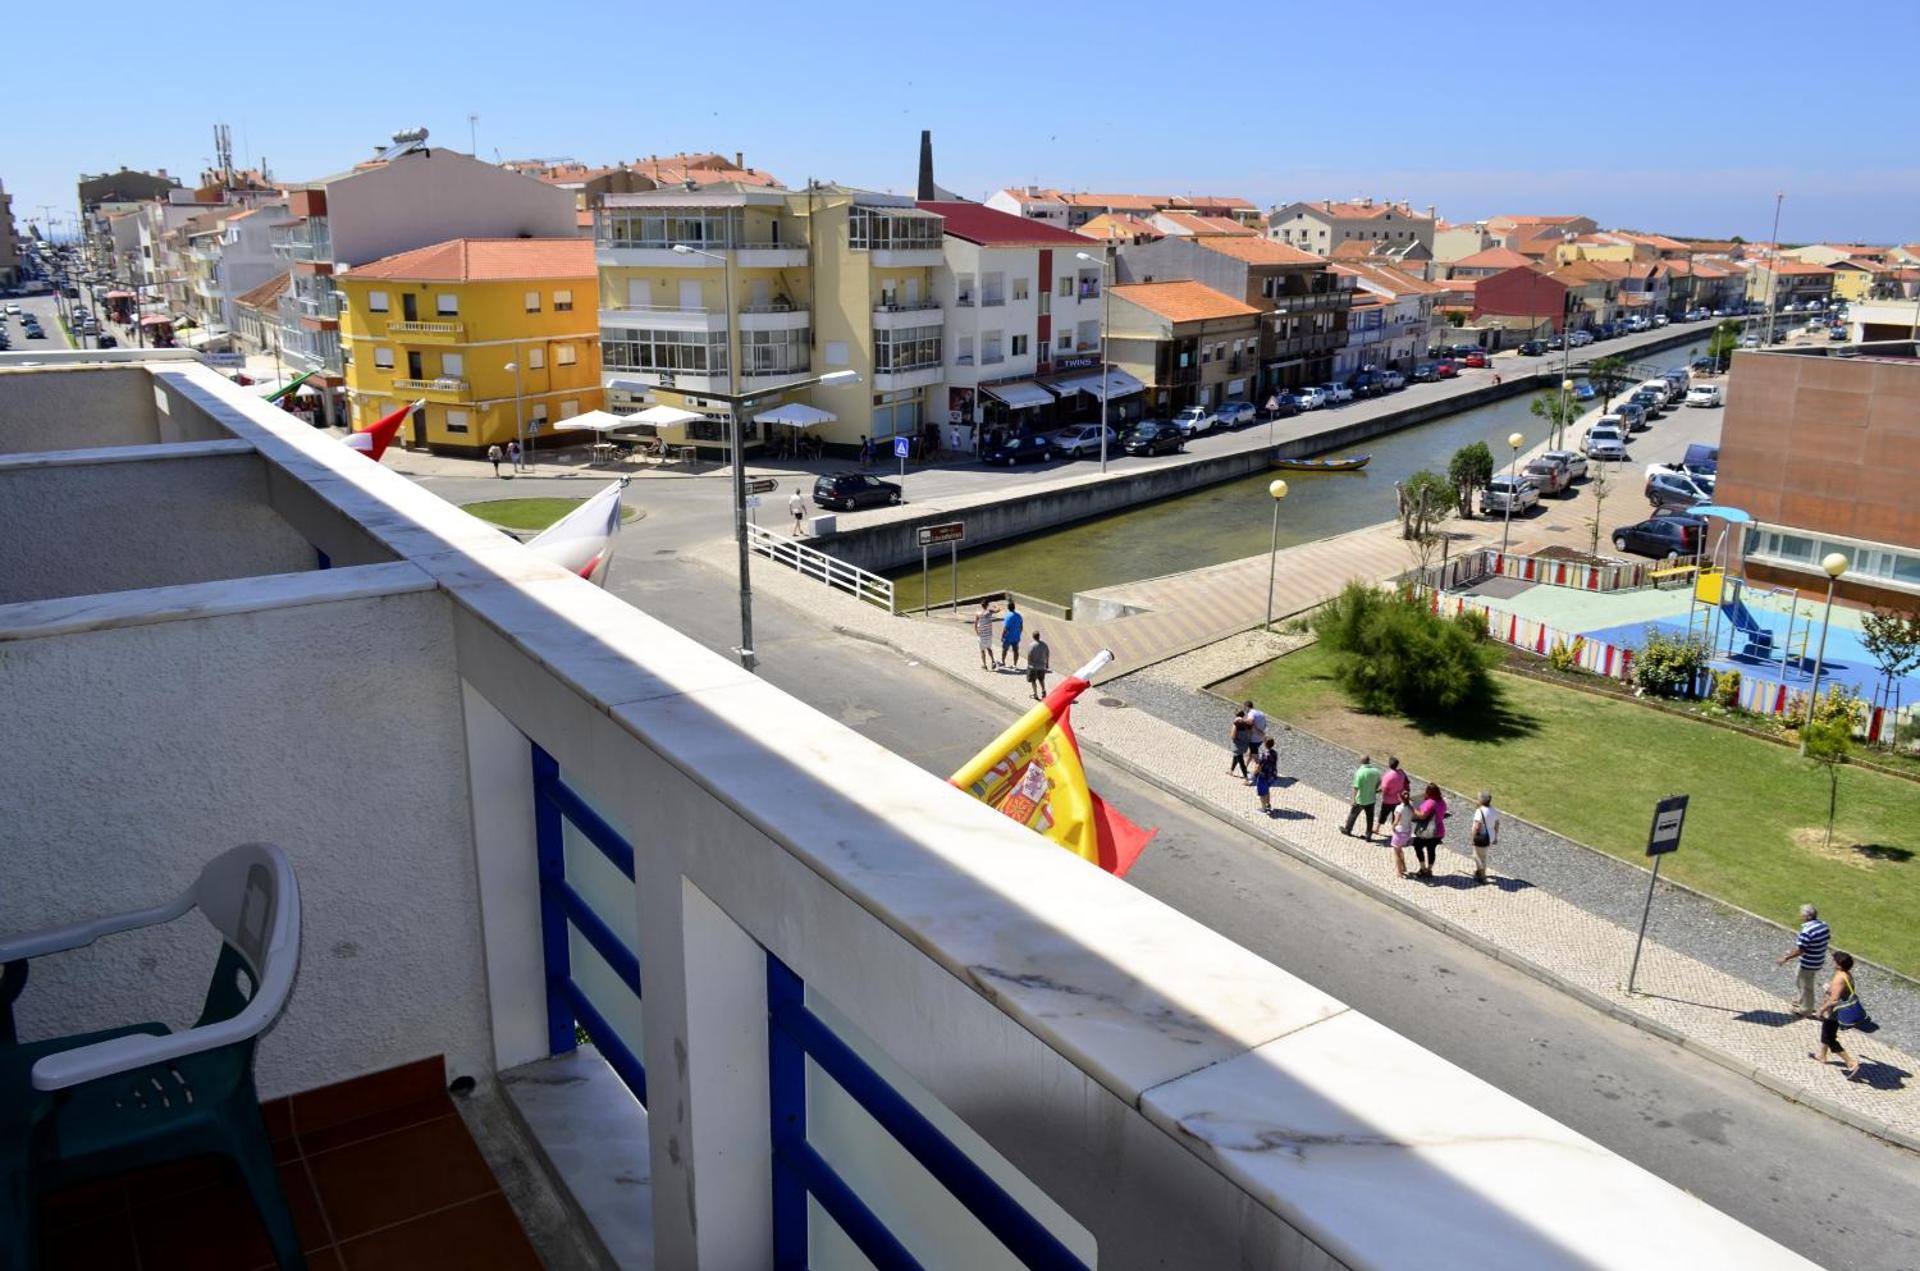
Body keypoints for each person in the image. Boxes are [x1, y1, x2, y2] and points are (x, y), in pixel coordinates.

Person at [1808, 950, 1863, 1078]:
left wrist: (1821, 1010)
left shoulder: (1840, 977)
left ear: (1838, 964)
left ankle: (1851, 1063)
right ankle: (1821, 1055)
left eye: (1834, 961)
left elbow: (1834, 1000)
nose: (1832, 962)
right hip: (1838, 1011)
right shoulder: (1847, 974)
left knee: (1829, 1038)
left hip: (1834, 1013)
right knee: (1826, 1031)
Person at [1776, 904, 1831, 1017]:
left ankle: (1805, 1010)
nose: (1800, 916)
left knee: (1806, 986)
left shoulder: (1807, 931)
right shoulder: (1824, 925)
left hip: (1808, 963)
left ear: (1807, 916)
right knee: (1800, 980)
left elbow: (1800, 949)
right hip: (1818, 959)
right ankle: (1801, 1000)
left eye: (1802, 914)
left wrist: (1786, 958)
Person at [1411, 782, 1448, 879]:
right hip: (1439, 831)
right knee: (1431, 850)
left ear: (1428, 792)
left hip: (1427, 831)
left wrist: (1413, 809)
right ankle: (1429, 869)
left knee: (1417, 845)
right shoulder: (1442, 802)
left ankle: (1422, 868)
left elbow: (1422, 816)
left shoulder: (1430, 802)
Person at [1343, 755, 1383, 840]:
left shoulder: (1360, 772)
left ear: (1361, 761)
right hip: (1371, 799)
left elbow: (1356, 787)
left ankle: (1348, 830)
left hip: (1360, 799)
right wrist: (1375, 789)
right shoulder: (1376, 771)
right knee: (1370, 818)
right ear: (1369, 761)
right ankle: (1368, 835)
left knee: (1353, 815)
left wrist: (1353, 799)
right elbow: (1379, 782)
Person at [1469, 790, 1501, 885]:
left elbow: (1476, 826)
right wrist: (1495, 837)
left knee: (1477, 856)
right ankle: (1479, 872)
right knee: (1483, 855)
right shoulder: (1494, 810)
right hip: (1490, 836)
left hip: (1481, 837)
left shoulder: (1480, 811)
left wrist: (1472, 838)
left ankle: (1482, 875)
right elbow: (1497, 824)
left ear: (1481, 800)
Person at [1386, 786, 1414, 879]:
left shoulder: (1399, 808)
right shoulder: (1411, 806)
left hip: (1400, 832)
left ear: (1400, 797)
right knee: (1400, 849)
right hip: (1407, 831)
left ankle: (1399, 871)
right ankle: (1404, 866)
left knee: (1396, 852)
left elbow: (1396, 821)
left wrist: (1393, 827)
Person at [1228, 707, 1255, 782]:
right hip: (1244, 744)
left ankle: (1246, 778)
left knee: (1241, 762)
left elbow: (1233, 736)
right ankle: (1231, 770)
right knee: (1236, 756)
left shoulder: (1237, 723)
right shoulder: (1247, 723)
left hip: (1237, 745)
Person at [1254, 738, 1280, 815]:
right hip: (1271, 775)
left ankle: (1263, 808)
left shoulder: (1263, 755)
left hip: (1263, 776)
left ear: (1265, 744)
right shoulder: (1274, 753)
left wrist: (1254, 774)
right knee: (1267, 789)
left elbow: (1258, 766)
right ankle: (1268, 804)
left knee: (1262, 792)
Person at [972, 599, 1000, 672]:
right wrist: (996, 605)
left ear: (981, 606)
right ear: (987, 605)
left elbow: (975, 624)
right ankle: (993, 661)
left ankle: (984, 665)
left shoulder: (978, 614)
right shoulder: (989, 612)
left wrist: (977, 632)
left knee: (982, 650)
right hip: (988, 634)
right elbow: (998, 610)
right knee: (989, 648)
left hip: (981, 635)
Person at [999, 598, 1024, 668]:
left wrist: (1002, 636)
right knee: (1016, 651)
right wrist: (1018, 634)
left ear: (1008, 608)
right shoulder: (1019, 616)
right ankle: (1015, 664)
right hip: (1016, 637)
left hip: (1008, 637)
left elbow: (1005, 628)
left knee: (1005, 649)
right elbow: (1021, 627)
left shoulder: (1008, 616)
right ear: (1014, 607)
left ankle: (1003, 662)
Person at [1026, 631, 1051, 700]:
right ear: (1039, 636)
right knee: (1041, 679)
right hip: (1042, 666)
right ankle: (1043, 690)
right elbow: (1047, 654)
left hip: (1033, 666)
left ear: (1033, 637)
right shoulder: (1044, 645)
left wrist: (1029, 664)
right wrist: (1047, 664)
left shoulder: (1031, 645)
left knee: (1033, 681)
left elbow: (1029, 655)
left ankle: (1035, 694)